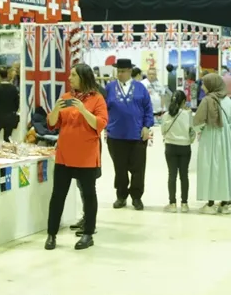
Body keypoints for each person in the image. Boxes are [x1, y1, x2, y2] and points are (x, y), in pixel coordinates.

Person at [45, 64, 108, 251]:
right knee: (58, 196)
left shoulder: (97, 99)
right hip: (64, 156)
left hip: (86, 156)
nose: (69, 78)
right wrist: (55, 109)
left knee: (89, 195)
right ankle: (51, 234)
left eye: (73, 75)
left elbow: (100, 124)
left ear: (83, 77)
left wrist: (83, 110)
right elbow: (52, 123)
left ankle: (88, 233)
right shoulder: (66, 98)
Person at [105, 58, 155, 210]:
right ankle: (121, 196)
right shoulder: (109, 88)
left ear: (129, 71)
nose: (119, 74)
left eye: (122, 71)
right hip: (116, 136)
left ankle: (136, 197)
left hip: (137, 135)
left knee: (138, 169)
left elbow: (148, 109)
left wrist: (146, 126)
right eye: (118, 71)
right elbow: (102, 109)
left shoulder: (140, 88)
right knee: (119, 169)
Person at [194, 73, 231, 213]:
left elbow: (198, 123)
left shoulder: (206, 101)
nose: (203, 87)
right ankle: (225, 203)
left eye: (204, 84)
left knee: (210, 167)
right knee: (224, 168)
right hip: (225, 139)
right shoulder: (228, 101)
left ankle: (210, 204)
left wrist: (199, 131)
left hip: (209, 138)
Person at [159, 91, 195, 212]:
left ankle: (172, 203)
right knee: (184, 175)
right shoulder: (188, 114)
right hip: (184, 147)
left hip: (170, 147)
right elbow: (192, 132)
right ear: (184, 102)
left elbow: (163, 131)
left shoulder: (166, 115)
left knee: (172, 175)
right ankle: (184, 204)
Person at [0, 67, 20, 141]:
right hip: (10, 118)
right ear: (7, 75)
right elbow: (17, 105)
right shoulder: (13, 88)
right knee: (7, 139)